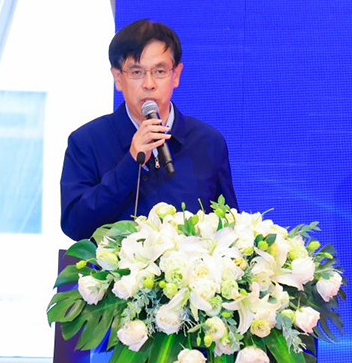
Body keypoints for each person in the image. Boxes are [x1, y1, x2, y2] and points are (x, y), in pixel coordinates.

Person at [60, 19, 238, 241]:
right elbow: (75, 225)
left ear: (176, 75)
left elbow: (229, 228)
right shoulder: (87, 142)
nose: (149, 84)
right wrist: (131, 163)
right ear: (118, 78)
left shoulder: (208, 142)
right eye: (136, 72)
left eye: (160, 71)